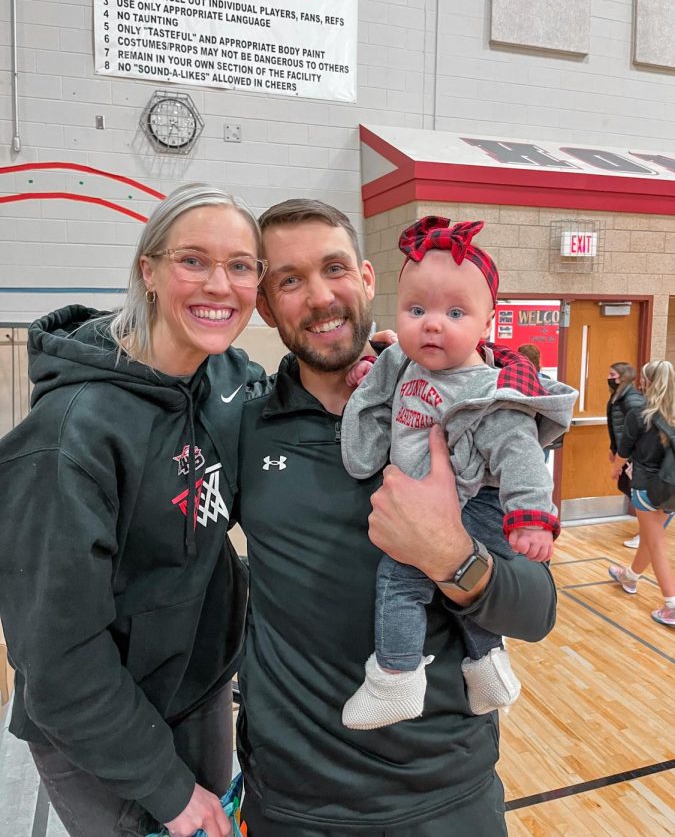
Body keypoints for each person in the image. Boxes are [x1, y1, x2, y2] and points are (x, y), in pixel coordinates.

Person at [233, 199, 558, 836]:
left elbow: (536, 611)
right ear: (266, 306)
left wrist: (449, 556)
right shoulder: (242, 424)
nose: (321, 296)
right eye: (290, 280)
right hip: (296, 804)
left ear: (367, 279)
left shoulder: (474, 410)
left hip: (447, 797)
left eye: (334, 269)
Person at [0, 184, 269, 837]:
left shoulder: (228, 379)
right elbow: (58, 661)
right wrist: (169, 791)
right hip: (96, 724)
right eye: (193, 261)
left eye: (240, 265)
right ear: (147, 270)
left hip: (195, 688)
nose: (220, 284)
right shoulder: (69, 436)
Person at [339, 217, 577, 730]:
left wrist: (531, 516)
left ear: (488, 323)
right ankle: (488, 667)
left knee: (399, 582)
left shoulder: (490, 393)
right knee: (454, 599)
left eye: (454, 312)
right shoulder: (404, 366)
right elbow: (380, 407)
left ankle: (396, 678)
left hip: (477, 507)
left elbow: (520, 456)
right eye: (416, 309)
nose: (431, 323)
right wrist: (369, 373)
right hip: (432, 501)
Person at [609, 360, 675, 626]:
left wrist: (615, 470)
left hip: (647, 486)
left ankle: (671, 604)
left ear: (647, 381)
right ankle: (630, 577)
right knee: (651, 538)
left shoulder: (640, 414)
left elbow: (623, 451)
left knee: (655, 543)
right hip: (672, 488)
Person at [607, 362, 645, 549]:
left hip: (634, 456)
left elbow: (637, 430)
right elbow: (617, 427)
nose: (609, 377)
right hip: (625, 453)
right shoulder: (618, 396)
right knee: (628, 489)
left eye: (612, 374)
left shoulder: (632, 400)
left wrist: (626, 458)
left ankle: (646, 533)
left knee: (636, 493)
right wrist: (613, 448)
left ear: (622, 376)